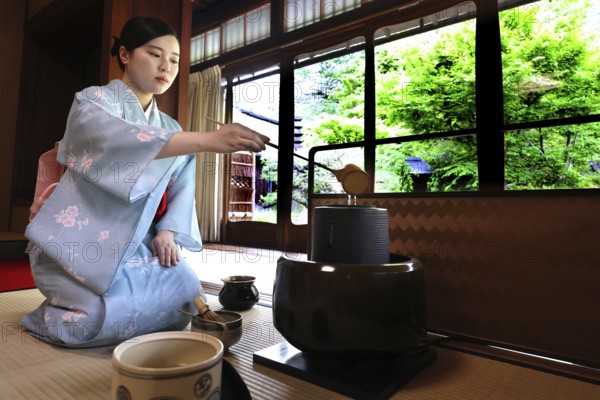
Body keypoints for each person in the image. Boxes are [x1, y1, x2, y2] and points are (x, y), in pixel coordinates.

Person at [21, 16, 269, 347]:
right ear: (124, 55)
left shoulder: (170, 126)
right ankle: (44, 318)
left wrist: (167, 231)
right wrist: (209, 140)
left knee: (184, 297)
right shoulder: (92, 101)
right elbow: (121, 141)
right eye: (154, 54)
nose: (165, 66)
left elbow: (181, 185)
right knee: (92, 322)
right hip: (75, 241)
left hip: (135, 240)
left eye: (174, 60)